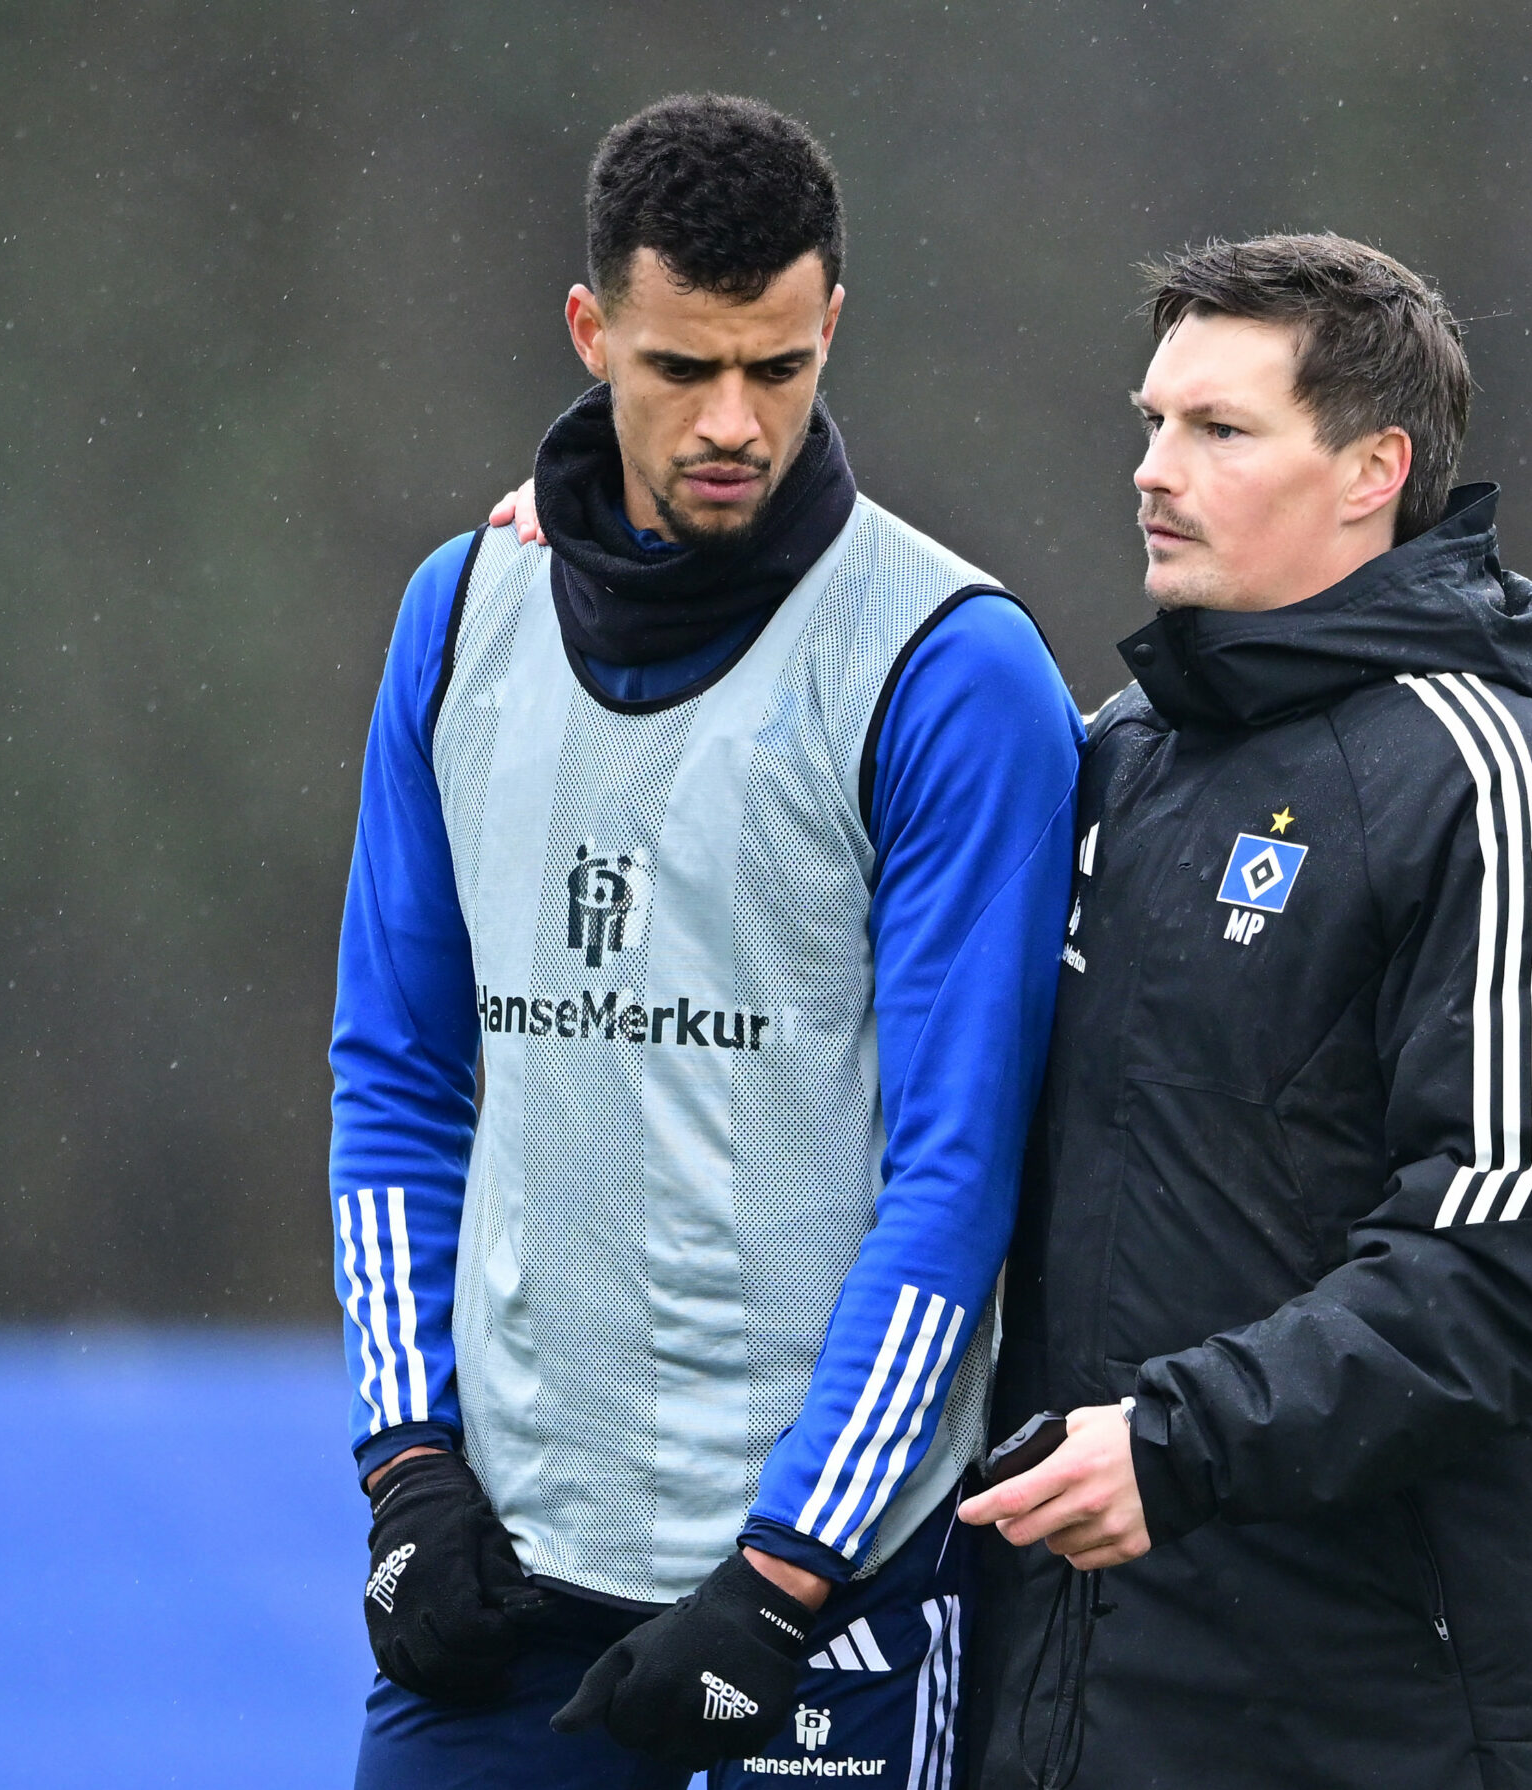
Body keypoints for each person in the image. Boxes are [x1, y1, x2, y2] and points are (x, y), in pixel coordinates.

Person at [328, 94, 1080, 1790]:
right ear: (593, 332)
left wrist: (787, 1568)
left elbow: (953, 1178)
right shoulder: (458, 613)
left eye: (779, 365)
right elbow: (398, 1073)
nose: (734, 419)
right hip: (504, 1584)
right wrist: (409, 1467)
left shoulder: (953, 669)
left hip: (819, 1612)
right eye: (681, 369)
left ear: (834, 327)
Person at [953, 234, 1532, 1788]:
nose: (1154, 469)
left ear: (1372, 470)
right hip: (1067, 1701)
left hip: (1365, 1722)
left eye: (1219, 431)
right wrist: (630, 564)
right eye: (1151, 422)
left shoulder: (1499, 792)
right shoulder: (1114, 758)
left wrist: (1176, 1443)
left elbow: (1497, 1268)